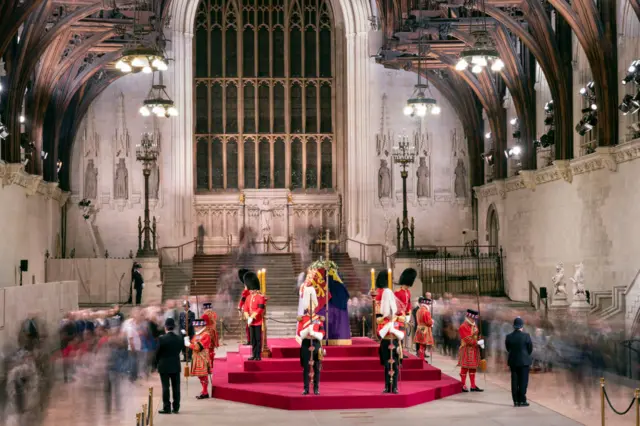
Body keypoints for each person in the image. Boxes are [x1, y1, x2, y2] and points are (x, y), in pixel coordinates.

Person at [375, 270, 404, 394]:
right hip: (386, 342)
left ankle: (395, 386)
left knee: (395, 365)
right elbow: (379, 331)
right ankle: (387, 386)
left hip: (395, 342)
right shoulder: (382, 319)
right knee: (387, 365)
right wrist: (388, 325)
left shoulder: (397, 318)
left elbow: (401, 330)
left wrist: (394, 324)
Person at [296, 285, 325, 395]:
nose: (311, 307)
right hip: (306, 342)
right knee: (306, 367)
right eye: (310, 305)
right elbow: (299, 333)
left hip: (316, 342)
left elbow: (322, 333)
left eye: (313, 305)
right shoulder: (302, 319)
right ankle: (306, 388)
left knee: (317, 367)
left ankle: (316, 388)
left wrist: (314, 333)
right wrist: (307, 330)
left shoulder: (319, 319)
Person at [156, 318, 183, 414]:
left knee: (165, 387)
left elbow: (157, 353)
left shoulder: (161, 339)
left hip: (164, 366)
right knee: (176, 387)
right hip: (175, 365)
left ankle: (166, 407)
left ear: (165, 327)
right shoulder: (179, 338)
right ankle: (176, 407)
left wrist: (157, 362)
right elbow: (180, 350)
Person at [505, 316, 533, 407]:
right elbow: (530, 349)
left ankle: (515, 401)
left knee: (514, 381)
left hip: (513, 361)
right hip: (524, 362)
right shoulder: (526, 336)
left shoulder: (509, 336)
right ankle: (522, 400)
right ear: (522, 326)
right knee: (523, 381)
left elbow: (508, 348)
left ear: (514, 326)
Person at [184, 319, 212, 399]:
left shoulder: (206, 334)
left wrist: (189, 344)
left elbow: (198, 347)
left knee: (203, 375)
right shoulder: (197, 334)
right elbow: (193, 342)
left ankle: (205, 391)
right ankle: (204, 390)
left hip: (202, 357)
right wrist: (188, 341)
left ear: (201, 326)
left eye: (196, 326)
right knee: (200, 376)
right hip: (196, 357)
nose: (195, 328)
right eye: (195, 327)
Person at [458, 309, 484, 392]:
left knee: (473, 368)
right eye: (473, 318)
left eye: (475, 319)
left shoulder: (474, 325)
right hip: (466, 348)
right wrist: (477, 342)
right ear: (469, 317)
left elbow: (476, 335)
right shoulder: (463, 326)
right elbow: (468, 340)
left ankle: (473, 385)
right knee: (465, 367)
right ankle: (463, 385)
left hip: (474, 349)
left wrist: (480, 340)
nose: (474, 320)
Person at [242, 272, 266, 361]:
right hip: (250, 322)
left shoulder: (260, 297)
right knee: (253, 340)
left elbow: (260, 309)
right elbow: (245, 308)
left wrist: (252, 317)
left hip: (257, 321)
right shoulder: (248, 297)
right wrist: (248, 317)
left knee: (258, 339)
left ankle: (258, 355)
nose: (250, 290)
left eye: (251, 289)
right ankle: (253, 354)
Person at [202, 302, 220, 375]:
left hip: (207, 334)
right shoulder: (214, 314)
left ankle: (208, 367)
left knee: (207, 351)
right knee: (212, 350)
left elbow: (203, 325)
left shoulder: (204, 315)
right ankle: (212, 365)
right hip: (213, 333)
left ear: (205, 308)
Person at [414, 297, 434, 362]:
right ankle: (422, 359)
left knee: (420, 344)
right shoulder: (426, 311)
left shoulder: (419, 310)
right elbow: (428, 322)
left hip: (419, 327)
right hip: (424, 329)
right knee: (423, 345)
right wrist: (432, 321)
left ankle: (421, 358)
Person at [236, 268, 250, 345]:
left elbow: (244, 298)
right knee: (248, 327)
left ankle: (250, 340)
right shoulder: (247, 286)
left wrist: (240, 306)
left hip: (249, 309)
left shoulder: (248, 288)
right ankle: (249, 340)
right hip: (247, 308)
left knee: (249, 327)